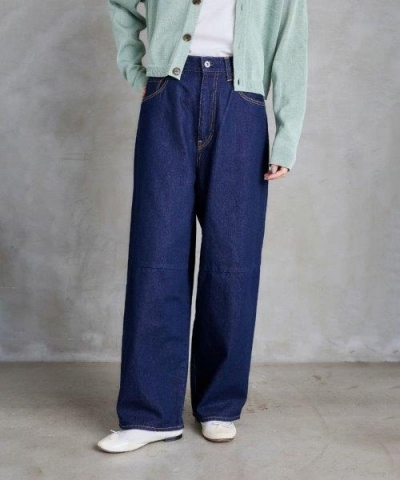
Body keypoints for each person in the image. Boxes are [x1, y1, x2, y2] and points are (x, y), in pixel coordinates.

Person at [97, 0, 308, 453]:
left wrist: (286, 138)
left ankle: (219, 406)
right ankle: (150, 414)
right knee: (157, 256)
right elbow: (121, 5)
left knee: (233, 262)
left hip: (242, 102)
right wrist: (138, 70)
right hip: (168, 96)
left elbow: (291, 46)